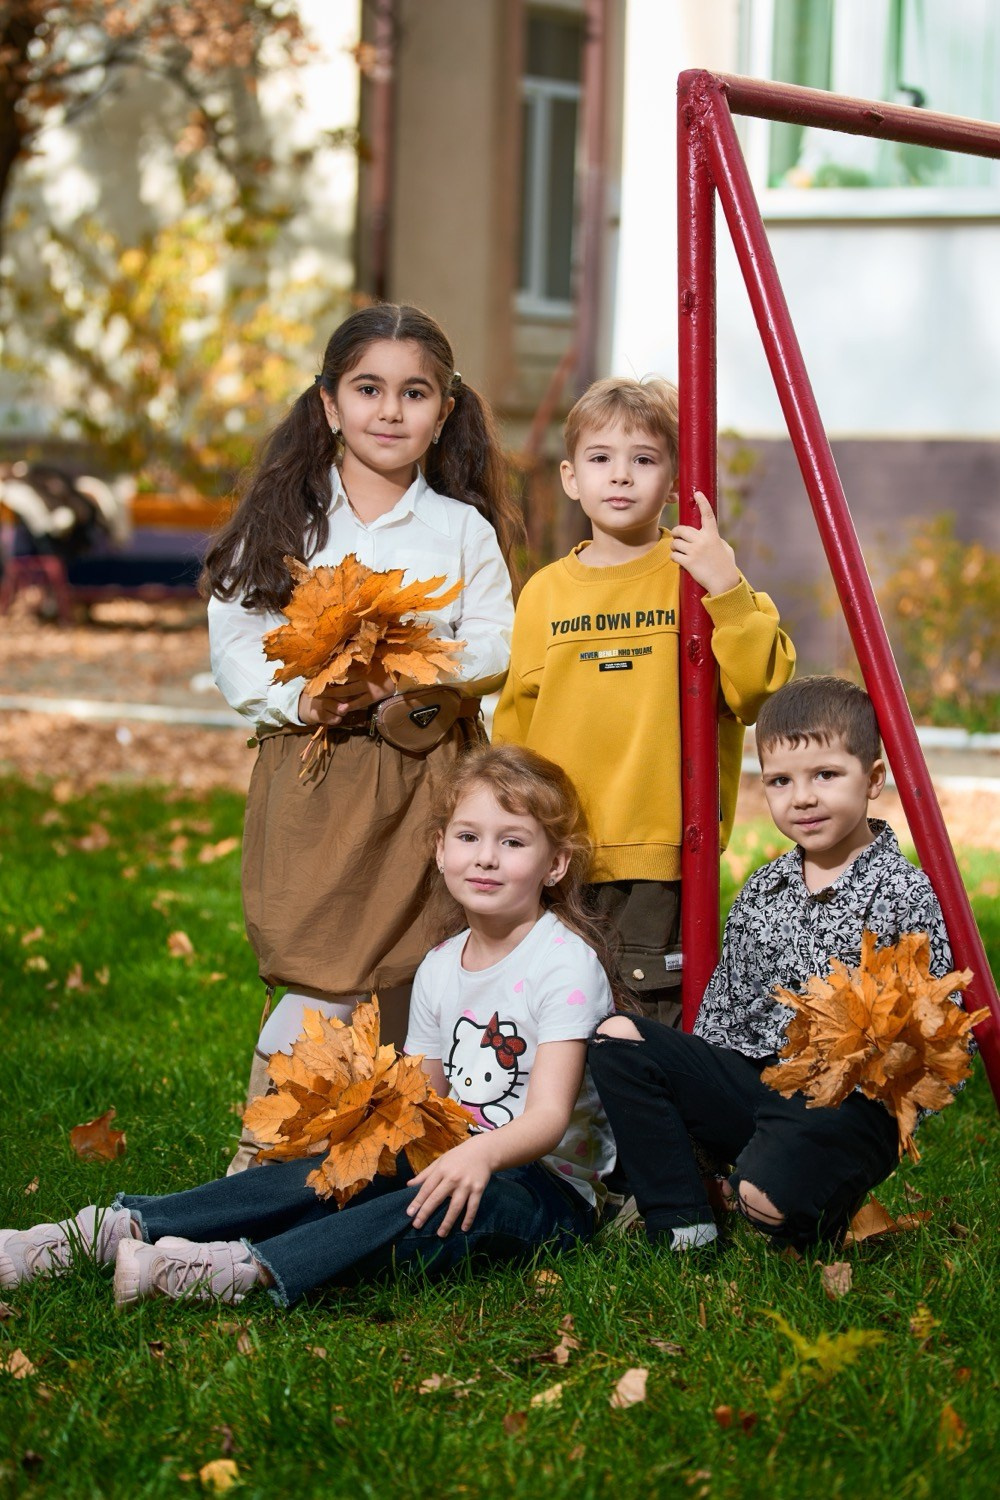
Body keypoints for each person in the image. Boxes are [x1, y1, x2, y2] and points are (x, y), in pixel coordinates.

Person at [0, 746, 616, 1310]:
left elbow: (547, 1120)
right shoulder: (438, 965)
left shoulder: (564, 964)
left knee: (422, 1207)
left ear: (556, 864)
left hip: (546, 1192)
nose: (485, 856)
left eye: (513, 842)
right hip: (451, 1153)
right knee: (332, 1170)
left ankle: (243, 1269)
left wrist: (475, 1157)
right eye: (468, 836)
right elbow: (427, 1102)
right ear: (439, 849)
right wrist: (362, 1137)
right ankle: (118, 1229)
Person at [201, 304, 522, 1169]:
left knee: (418, 961)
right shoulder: (290, 521)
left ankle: (391, 1147)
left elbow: (499, 637)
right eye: (369, 389)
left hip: (428, 775)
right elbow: (235, 640)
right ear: (329, 404)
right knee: (321, 961)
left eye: (414, 393)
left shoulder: (460, 530)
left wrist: (419, 665)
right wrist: (301, 698)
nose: (390, 411)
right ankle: (264, 1149)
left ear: (444, 411)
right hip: (317, 779)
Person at [587, 676, 958, 1253]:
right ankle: (683, 1223)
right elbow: (722, 1017)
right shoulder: (764, 889)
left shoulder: (902, 893)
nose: (802, 798)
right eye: (781, 781)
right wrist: (700, 1100)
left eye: (825, 776)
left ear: (874, 779)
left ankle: (796, 1199)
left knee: (764, 1200)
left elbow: (939, 1036)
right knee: (618, 1040)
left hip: (845, 1106)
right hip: (758, 1084)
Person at [492, 376, 795, 1024]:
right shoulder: (545, 592)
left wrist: (728, 586)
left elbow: (758, 688)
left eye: (645, 459)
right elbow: (514, 728)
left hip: (662, 851)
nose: (621, 476)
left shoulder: (695, 574)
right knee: (555, 1010)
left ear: (675, 477)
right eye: (601, 458)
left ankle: (652, 1128)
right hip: (560, 850)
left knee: (648, 1018)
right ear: (572, 476)